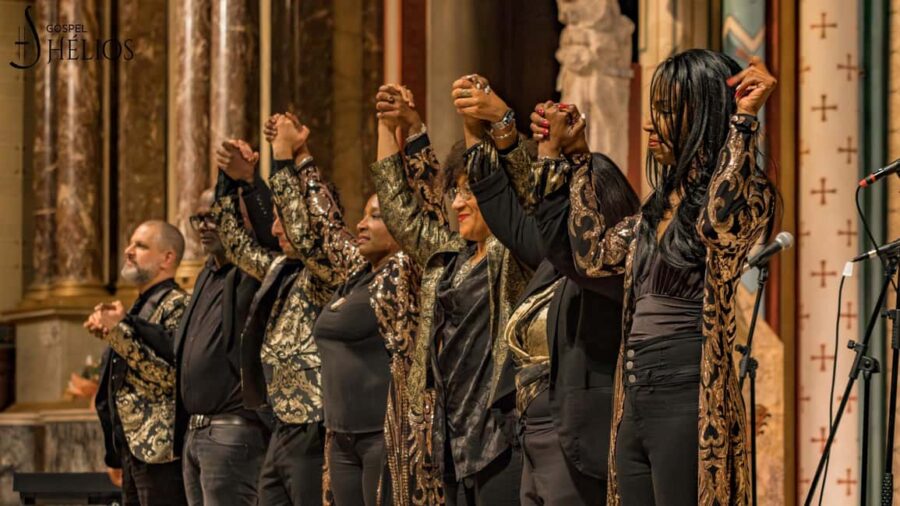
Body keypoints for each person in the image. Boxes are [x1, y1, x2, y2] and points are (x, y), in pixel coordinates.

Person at [550, 51, 777, 505]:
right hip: (634, 395)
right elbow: (593, 257)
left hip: (687, 394)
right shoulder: (655, 211)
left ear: (706, 116)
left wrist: (744, 122)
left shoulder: (748, 194)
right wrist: (577, 159)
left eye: (668, 112)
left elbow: (717, 223)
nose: (650, 125)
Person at [467, 94, 640, 504]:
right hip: (533, 436)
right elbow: (508, 211)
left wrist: (552, 154)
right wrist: (483, 123)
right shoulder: (554, 265)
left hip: (577, 442)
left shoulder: (609, 271)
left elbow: (557, 229)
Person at [371, 79, 528, 505]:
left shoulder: (515, 255)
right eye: (456, 192)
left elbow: (518, 180)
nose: (458, 203)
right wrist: (387, 126)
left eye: (470, 192)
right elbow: (400, 214)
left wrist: (482, 120)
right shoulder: (450, 258)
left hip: (503, 439)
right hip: (453, 441)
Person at [261, 110, 427, 505]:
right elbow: (325, 225)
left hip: (384, 435)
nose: (362, 224)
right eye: (363, 215)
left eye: (377, 216)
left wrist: (401, 129)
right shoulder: (356, 273)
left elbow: (404, 196)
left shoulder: (407, 271)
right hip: (340, 437)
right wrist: (301, 155)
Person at [210, 132, 328, 506]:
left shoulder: (327, 269)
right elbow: (236, 244)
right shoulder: (281, 268)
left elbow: (302, 228)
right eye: (274, 219)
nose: (275, 230)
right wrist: (230, 181)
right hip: (280, 424)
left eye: (282, 219)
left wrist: (283, 158)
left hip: (313, 423)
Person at [174, 186, 273, 506]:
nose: (205, 226)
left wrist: (240, 181)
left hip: (232, 431)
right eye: (199, 219)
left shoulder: (249, 274)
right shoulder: (206, 274)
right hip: (196, 432)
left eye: (214, 217)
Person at [86, 220, 189, 506]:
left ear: (167, 258)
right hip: (131, 451)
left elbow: (169, 377)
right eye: (130, 243)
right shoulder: (138, 306)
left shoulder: (179, 304)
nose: (128, 251)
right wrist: (114, 450)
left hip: (161, 451)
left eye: (141, 246)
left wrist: (116, 333)